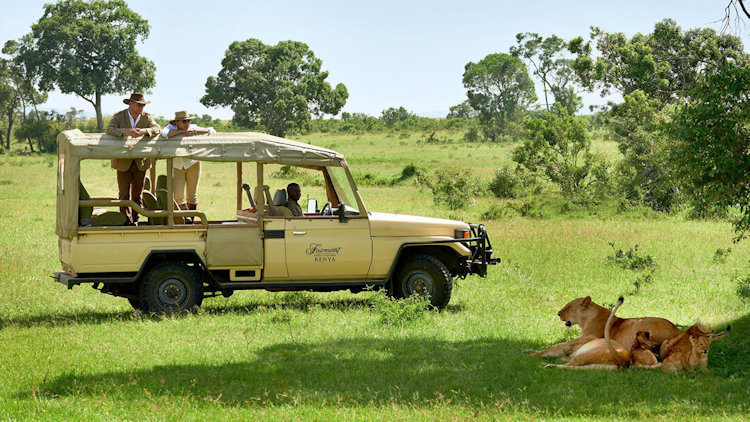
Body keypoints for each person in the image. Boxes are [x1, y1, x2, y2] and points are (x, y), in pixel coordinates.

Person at [105, 93, 161, 225]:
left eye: (143, 105)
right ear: (130, 104)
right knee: (123, 194)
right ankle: (125, 220)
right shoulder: (119, 116)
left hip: (140, 161)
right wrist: (125, 131)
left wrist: (143, 131)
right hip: (122, 161)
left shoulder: (147, 117)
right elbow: (109, 129)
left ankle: (135, 220)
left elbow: (157, 128)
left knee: (137, 195)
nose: (141, 107)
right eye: (139, 104)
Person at [161, 111, 216, 212]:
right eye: (184, 121)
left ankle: (190, 220)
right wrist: (181, 133)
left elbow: (212, 130)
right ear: (176, 122)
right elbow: (163, 133)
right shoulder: (170, 128)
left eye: (188, 121)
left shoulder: (193, 127)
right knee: (177, 197)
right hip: (177, 165)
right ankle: (184, 219)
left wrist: (195, 132)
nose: (187, 124)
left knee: (192, 196)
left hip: (193, 163)